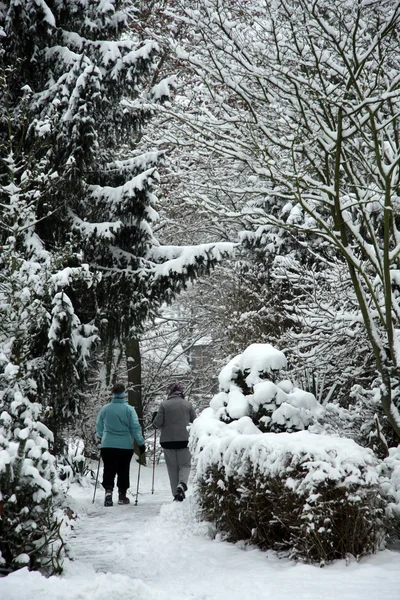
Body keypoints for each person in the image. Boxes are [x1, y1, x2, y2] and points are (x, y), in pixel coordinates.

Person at [96, 382, 146, 507]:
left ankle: (108, 492)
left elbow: (99, 426)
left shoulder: (105, 409)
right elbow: (135, 427)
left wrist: (103, 436)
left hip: (107, 445)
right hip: (125, 446)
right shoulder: (129, 409)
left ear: (112, 394)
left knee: (109, 469)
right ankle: (122, 495)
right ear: (124, 394)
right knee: (123, 470)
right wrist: (140, 443)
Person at [152, 382, 196, 501]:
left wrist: (154, 418)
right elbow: (195, 421)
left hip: (168, 441)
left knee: (172, 467)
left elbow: (157, 424)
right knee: (185, 464)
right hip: (185, 440)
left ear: (169, 392)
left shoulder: (164, 405)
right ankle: (182, 483)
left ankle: (176, 494)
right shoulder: (188, 405)